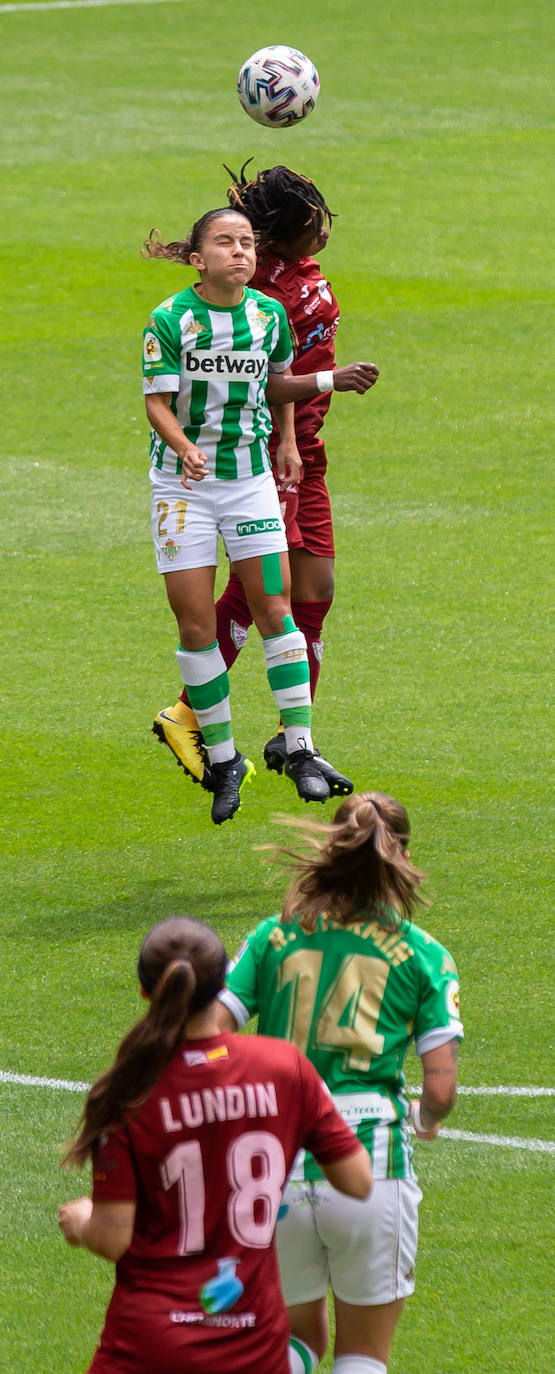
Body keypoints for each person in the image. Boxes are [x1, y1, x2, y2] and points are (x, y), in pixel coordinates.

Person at [143, 205, 379, 825]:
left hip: (248, 483)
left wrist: (287, 441)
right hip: (182, 488)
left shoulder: (269, 315)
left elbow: (273, 387)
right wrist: (186, 448)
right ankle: (222, 759)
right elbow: (158, 404)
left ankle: (299, 747)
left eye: (247, 242)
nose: (240, 252)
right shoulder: (171, 319)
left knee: (276, 608)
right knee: (195, 626)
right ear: (199, 258)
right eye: (226, 243)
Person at [58, 916, 372, 1374]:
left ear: (147, 993)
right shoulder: (285, 1068)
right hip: (254, 1349)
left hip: (148, 1348)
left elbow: (111, 1237)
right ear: (224, 983)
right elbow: (359, 1179)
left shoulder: (127, 1089)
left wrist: (82, 1219)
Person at [216, 792, 463, 1374]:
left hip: (272, 1173)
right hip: (369, 1170)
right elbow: (441, 1089)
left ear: (331, 847)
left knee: (298, 1342)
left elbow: (210, 1032)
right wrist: (425, 1122)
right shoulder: (423, 954)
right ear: (399, 856)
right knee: (362, 1354)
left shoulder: (273, 936)